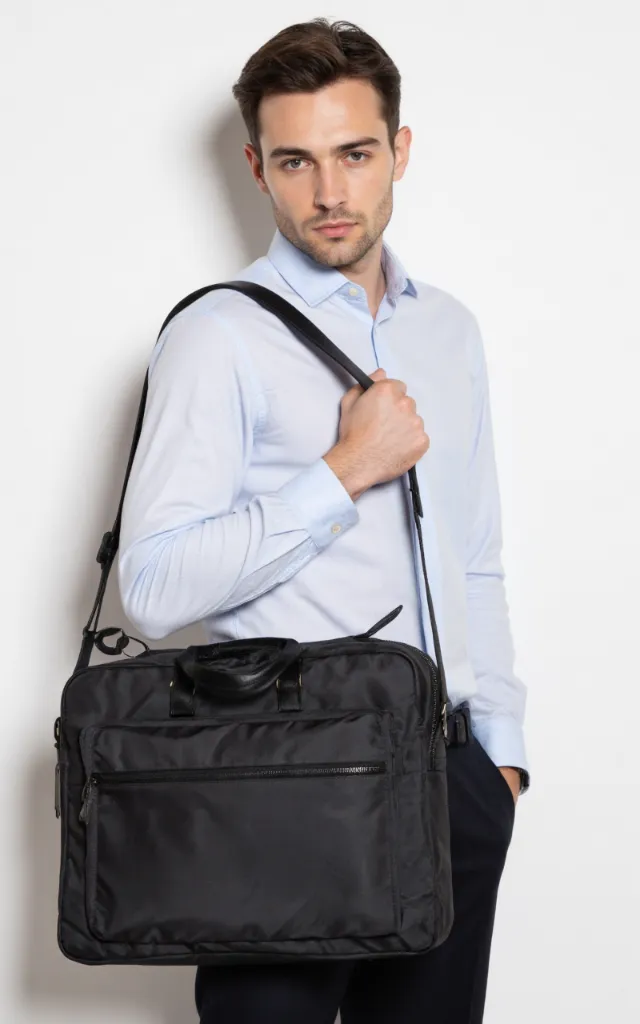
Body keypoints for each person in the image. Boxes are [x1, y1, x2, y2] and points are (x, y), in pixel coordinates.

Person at [118, 16, 529, 1024]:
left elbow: (475, 551)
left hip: (448, 781)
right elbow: (153, 585)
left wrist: (501, 754)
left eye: (354, 153)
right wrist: (341, 472)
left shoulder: (447, 327)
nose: (330, 192)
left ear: (399, 149)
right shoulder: (217, 338)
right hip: (283, 784)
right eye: (295, 161)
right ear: (256, 168)